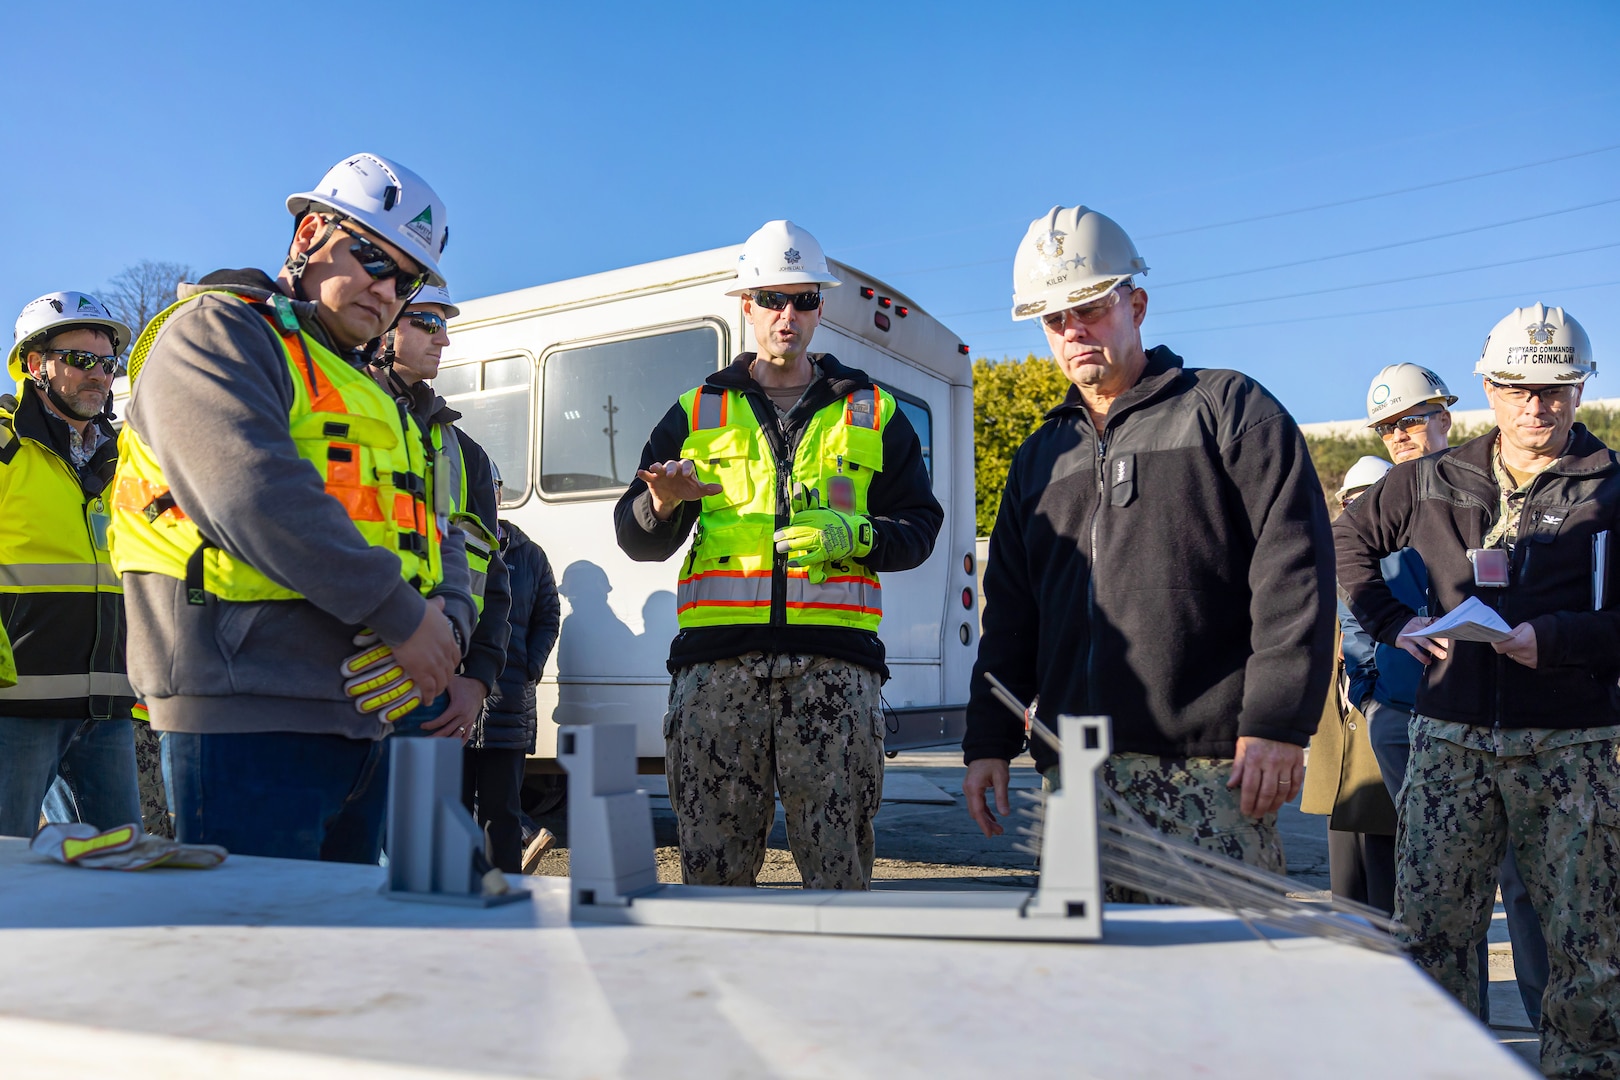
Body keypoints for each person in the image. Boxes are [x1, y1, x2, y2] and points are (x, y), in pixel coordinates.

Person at [107, 153, 474, 863]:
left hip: (373, 715)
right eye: (372, 257)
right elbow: (249, 490)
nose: (389, 288)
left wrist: (444, 628)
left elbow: (438, 523)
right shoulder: (217, 332)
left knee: (341, 958)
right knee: (252, 957)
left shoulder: (368, 387)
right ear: (309, 233)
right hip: (246, 714)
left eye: (408, 279)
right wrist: (402, 617)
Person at [962, 205, 1335, 889]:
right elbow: (1012, 614)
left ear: (1136, 303)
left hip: (1207, 773)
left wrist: (1279, 721)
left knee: (1215, 985)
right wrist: (988, 738)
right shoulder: (1039, 458)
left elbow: (1294, 573)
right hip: (1074, 774)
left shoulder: (1231, 410)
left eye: (1090, 309)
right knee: (1089, 989)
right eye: (1054, 320)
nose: (1074, 332)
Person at [614, 220, 942, 890]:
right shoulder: (696, 411)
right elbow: (634, 533)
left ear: (821, 308)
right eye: (771, 298)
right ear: (746, 305)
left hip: (835, 676)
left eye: (803, 300)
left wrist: (861, 537)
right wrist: (665, 504)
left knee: (838, 876)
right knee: (713, 873)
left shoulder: (872, 409)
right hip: (715, 677)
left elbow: (921, 526)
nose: (786, 315)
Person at [1335, 304, 1619, 1077]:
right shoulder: (1433, 479)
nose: (1539, 405)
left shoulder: (1613, 489)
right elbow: (1348, 543)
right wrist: (1393, 622)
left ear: (1581, 388)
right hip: (1450, 741)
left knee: (1588, 951)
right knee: (1430, 937)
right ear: (1487, 388)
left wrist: (1553, 640)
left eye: (1557, 387)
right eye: (1519, 386)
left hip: (1573, 749)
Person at [1361, 363, 1548, 1026]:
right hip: (1414, 717)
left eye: (1411, 420)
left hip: (1513, 721)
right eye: (1387, 429)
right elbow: (1344, 573)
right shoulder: (1385, 498)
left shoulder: (1490, 484)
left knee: (1524, 887)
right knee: (1439, 887)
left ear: (1445, 414)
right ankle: (1455, 1038)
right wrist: (1379, 657)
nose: (1401, 436)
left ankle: (1547, 1030)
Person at [0, 292, 141, 838]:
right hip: (16, 704)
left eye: (107, 364)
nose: (99, 376)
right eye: (81, 360)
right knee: (7, 866)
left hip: (108, 705)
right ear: (36, 365)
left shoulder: (126, 454)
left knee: (121, 864)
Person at [370, 283, 512, 746]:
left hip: (432, 689)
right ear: (386, 327)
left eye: (445, 326)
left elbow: (490, 573)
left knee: (420, 820)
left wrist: (477, 678)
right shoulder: (341, 413)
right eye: (428, 324)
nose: (443, 339)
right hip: (341, 674)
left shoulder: (466, 454)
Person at [1302, 456, 1398, 914]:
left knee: (1384, 851)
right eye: (1351, 500)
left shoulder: (1407, 557)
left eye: (1369, 498)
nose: (1358, 508)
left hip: (1380, 706)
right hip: (1341, 713)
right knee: (1346, 851)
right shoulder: (1330, 553)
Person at [476, 463, 560, 873]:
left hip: (508, 702)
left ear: (500, 493)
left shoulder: (530, 555)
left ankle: (504, 894)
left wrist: (531, 666)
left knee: (502, 811)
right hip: (455, 701)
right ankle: (456, 900)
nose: (487, 493)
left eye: (492, 486)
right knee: (449, 809)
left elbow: (549, 615)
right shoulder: (456, 541)